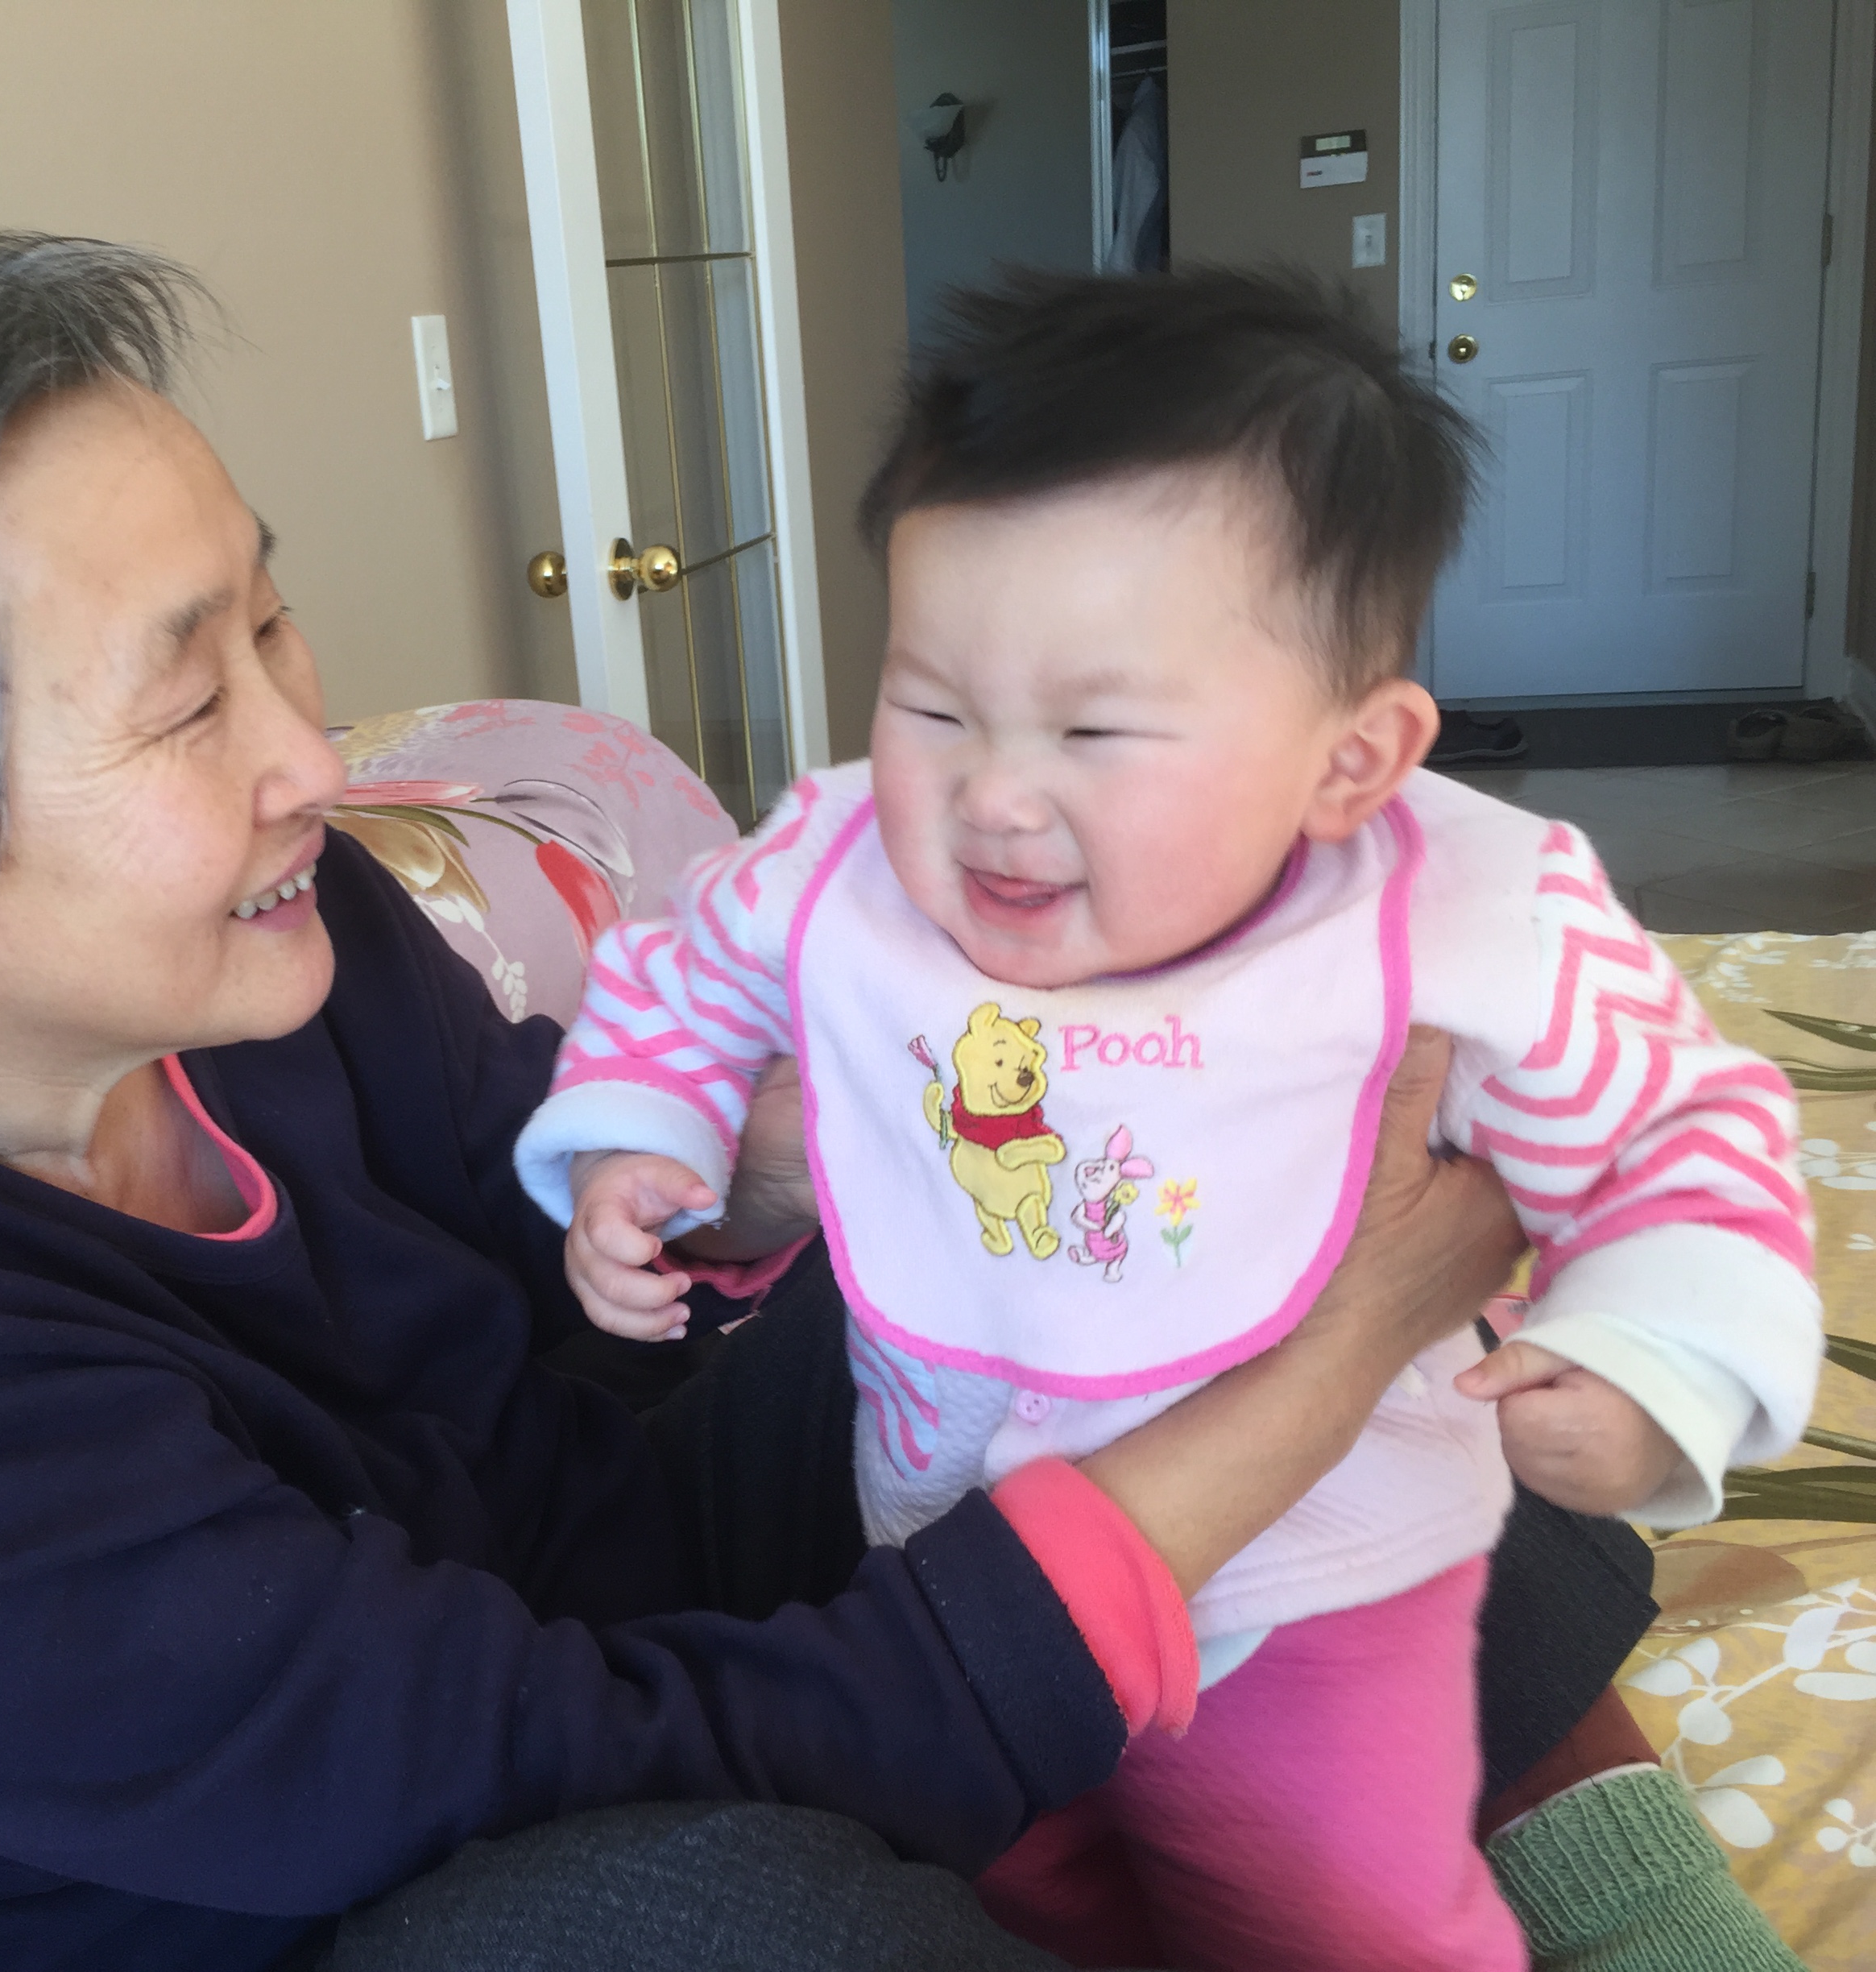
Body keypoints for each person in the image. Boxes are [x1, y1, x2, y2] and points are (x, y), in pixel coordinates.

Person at [0, 234, 1686, 1972]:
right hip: (365, 1888)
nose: (310, 759)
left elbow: (535, 1180)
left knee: (1177, 1300)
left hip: (585, 1580)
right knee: (709, 1926)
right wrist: (1324, 1356)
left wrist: (924, 1127)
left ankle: (1641, 1913)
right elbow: (569, 1766)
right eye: (190, 703)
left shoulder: (255, 932)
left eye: (275, 622)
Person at [516, 268, 1823, 1971]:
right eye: (931, 704)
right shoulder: (837, 867)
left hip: (1315, 1585)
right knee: (1029, 1892)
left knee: (1341, 1921)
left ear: (1350, 762)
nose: (993, 794)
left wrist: (1654, 1373)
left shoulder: (1466, 916)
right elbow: (680, 975)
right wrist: (645, 1135)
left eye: (1097, 730)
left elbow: (1682, 1135)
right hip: (963, 1557)